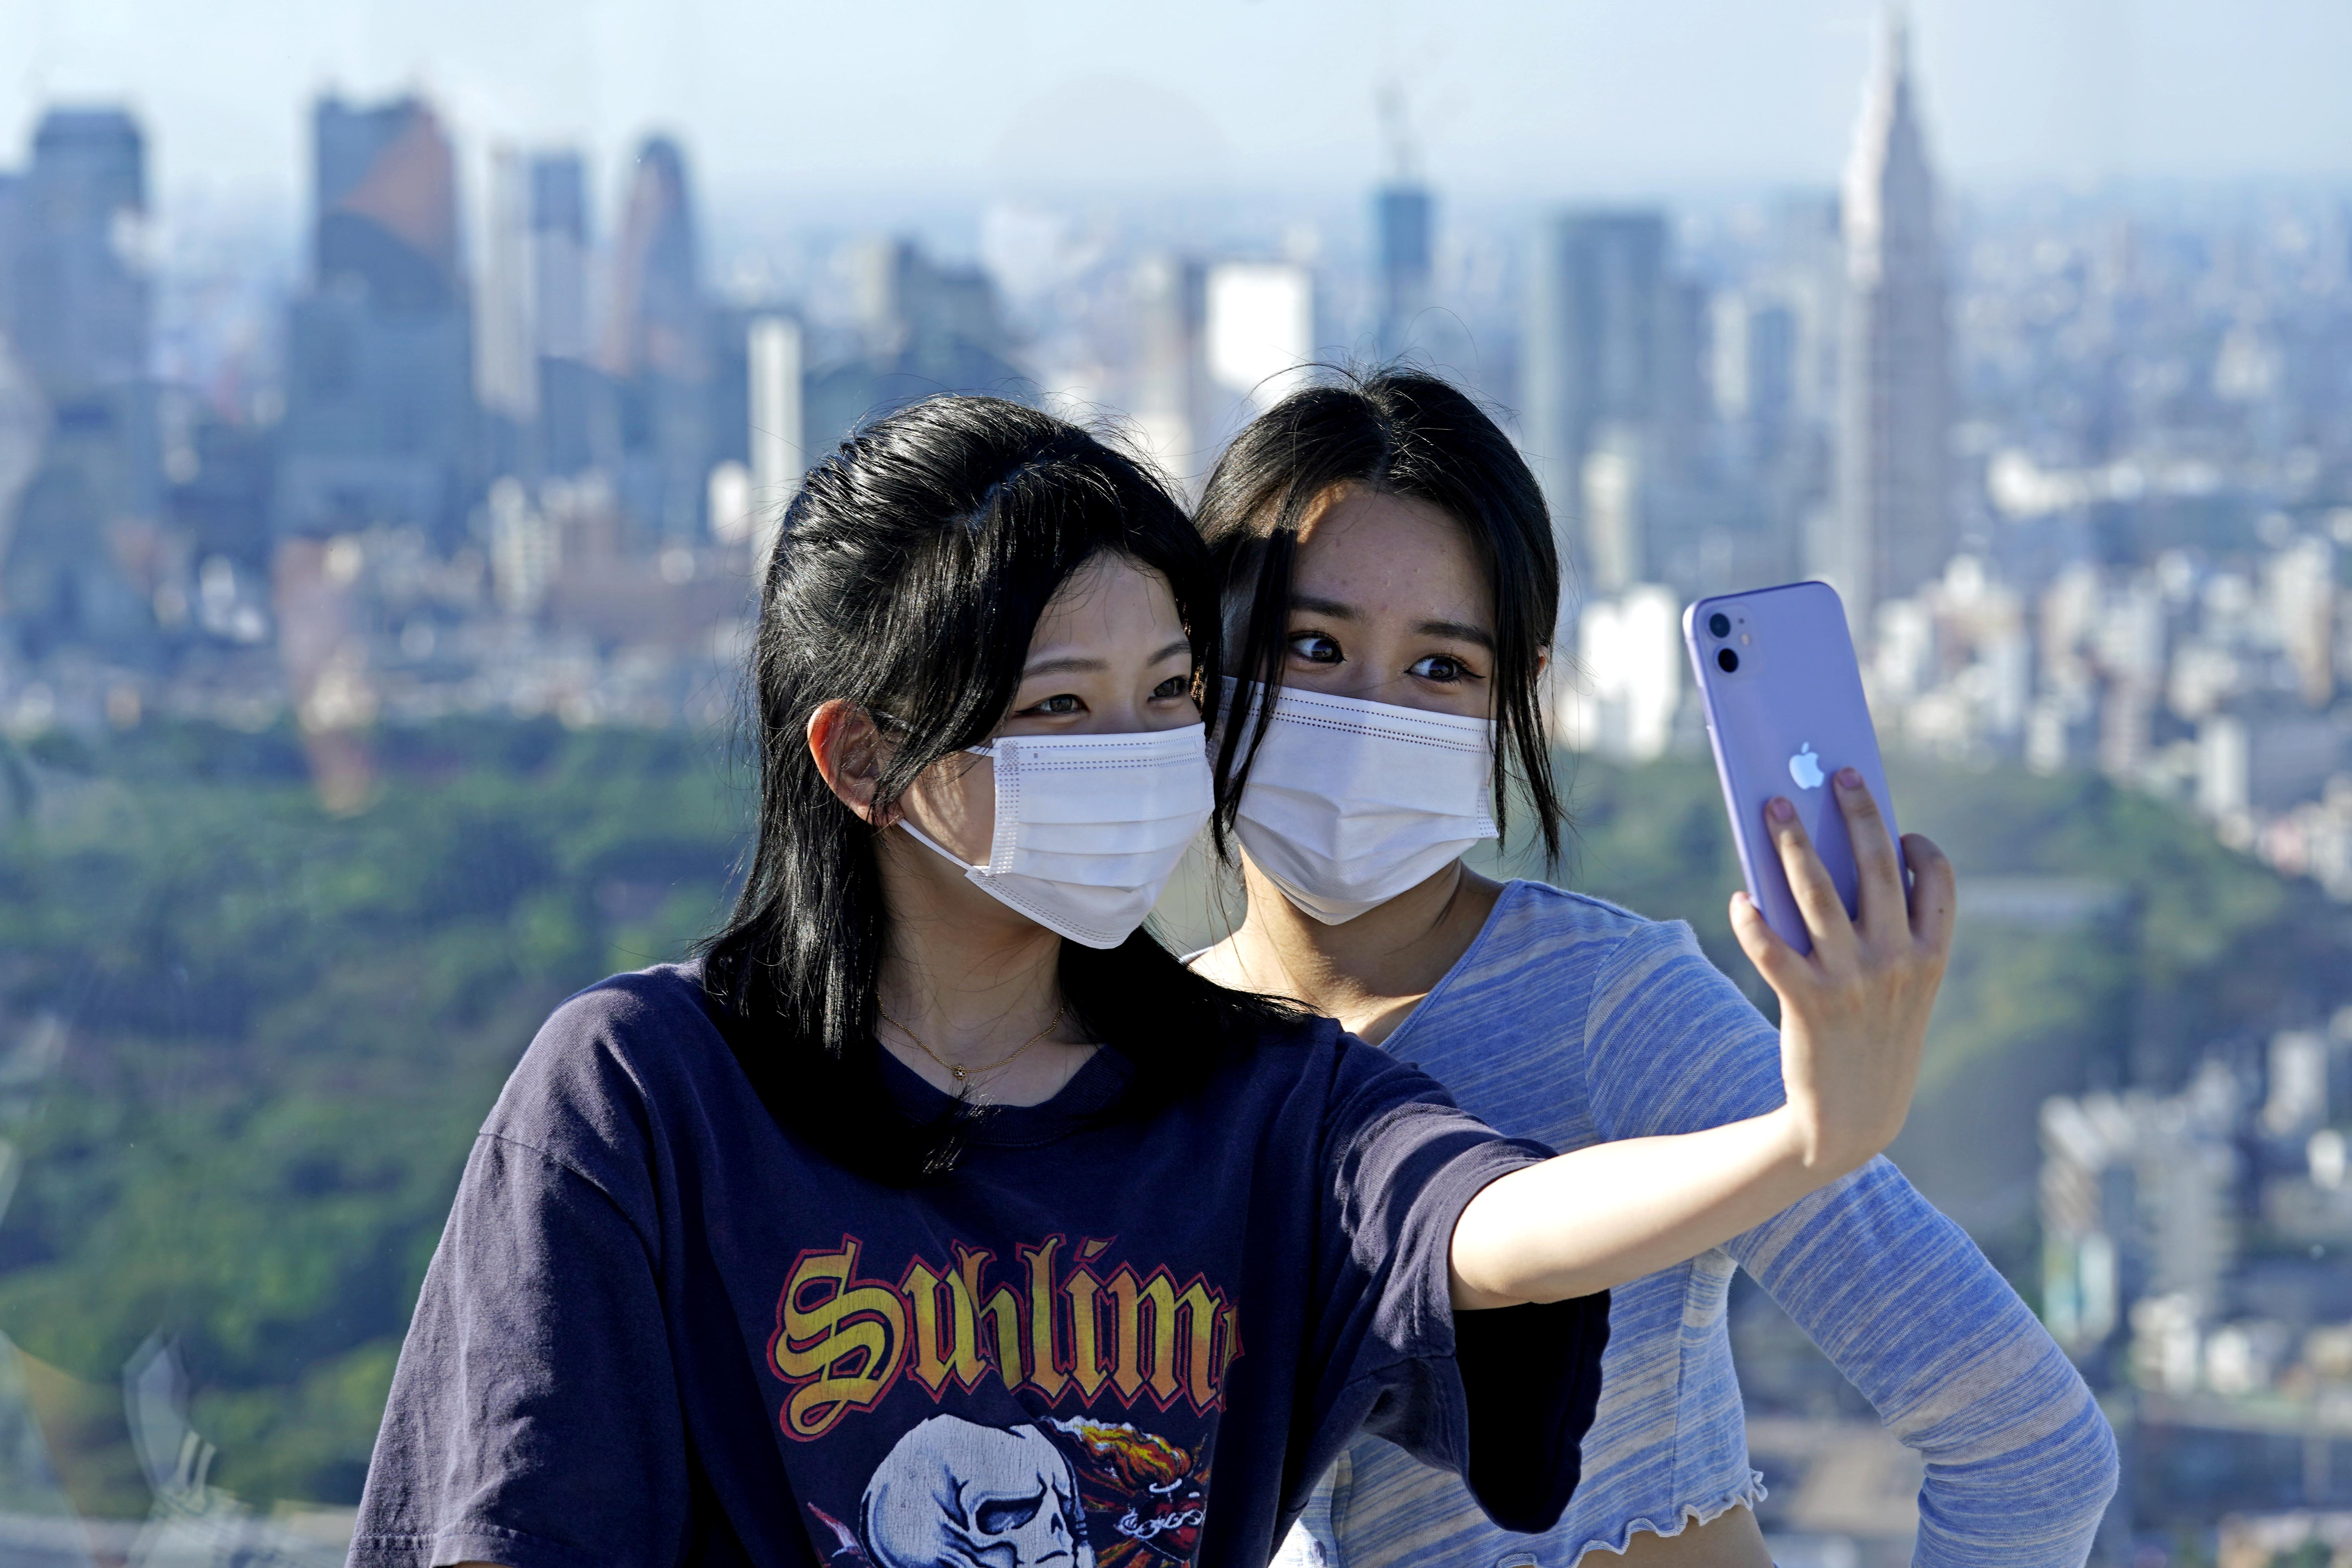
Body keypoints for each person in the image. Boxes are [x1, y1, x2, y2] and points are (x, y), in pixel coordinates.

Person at [349, 395, 1950, 1568]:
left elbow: (1483, 1231)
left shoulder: (1257, 1095)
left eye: (1170, 692)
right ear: (862, 754)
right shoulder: (645, 1097)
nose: (1133, 758)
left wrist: (1800, 1141)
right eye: (1057, 707)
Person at [1190, 370, 2117, 1568]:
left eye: (1440, 670)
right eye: (1314, 645)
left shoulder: (1611, 1007)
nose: (1372, 716)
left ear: (1510, 702)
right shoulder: (1143, 1050)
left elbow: (2029, 1446)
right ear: (1200, 664)